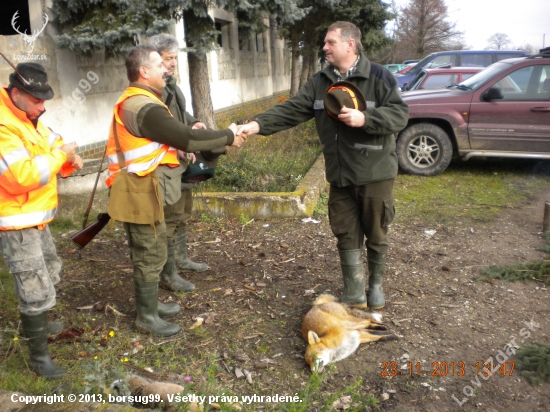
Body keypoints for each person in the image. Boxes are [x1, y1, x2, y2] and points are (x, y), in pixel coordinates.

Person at [237, 21, 409, 310]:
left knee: (377, 230)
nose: (324, 47)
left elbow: (400, 115)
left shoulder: (379, 76)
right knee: (345, 230)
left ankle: (375, 287)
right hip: (339, 173)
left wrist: (367, 118)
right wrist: (256, 125)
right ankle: (354, 291)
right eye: (325, 43)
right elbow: (293, 109)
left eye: (330, 42)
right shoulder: (321, 81)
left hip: (374, 172)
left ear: (350, 44)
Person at [105, 45, 243, 337]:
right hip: (138, 190)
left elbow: (167, 141)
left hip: (147, 187)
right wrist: (229, 135)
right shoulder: (142, 106)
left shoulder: (143, 101)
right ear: (144, 72)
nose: (165, 70)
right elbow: (187, 135)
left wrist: (177, 151)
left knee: (153, 250)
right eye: (159, 66)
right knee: (148, 252)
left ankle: (152, 306)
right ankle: (146, 316)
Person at [0, 62, 84, 378]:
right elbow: (19, 177)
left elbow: (50, 147)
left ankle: (37, 325)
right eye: (37, 100)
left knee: (49, 270)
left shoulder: (29, 118)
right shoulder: (4, 126)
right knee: (33, 286)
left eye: (44, 99)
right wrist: (60, 155)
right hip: (15, 223)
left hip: (35, 218)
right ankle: (38, 357)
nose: (42, 106)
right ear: (16, 93)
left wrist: (67, 161)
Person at [148, 34, 218, 293]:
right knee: (170, 215)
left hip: (180, 159)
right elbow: (159, 123)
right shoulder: (153, 90)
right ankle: (168, 274)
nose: (173, 63)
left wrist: (193, 122)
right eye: (168, 59)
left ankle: (181, 258)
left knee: (183, 211)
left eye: (174, 58)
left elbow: (179, 114)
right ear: (154, 60)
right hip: (165, 162)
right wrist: (180, 141)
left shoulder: (171, 86)